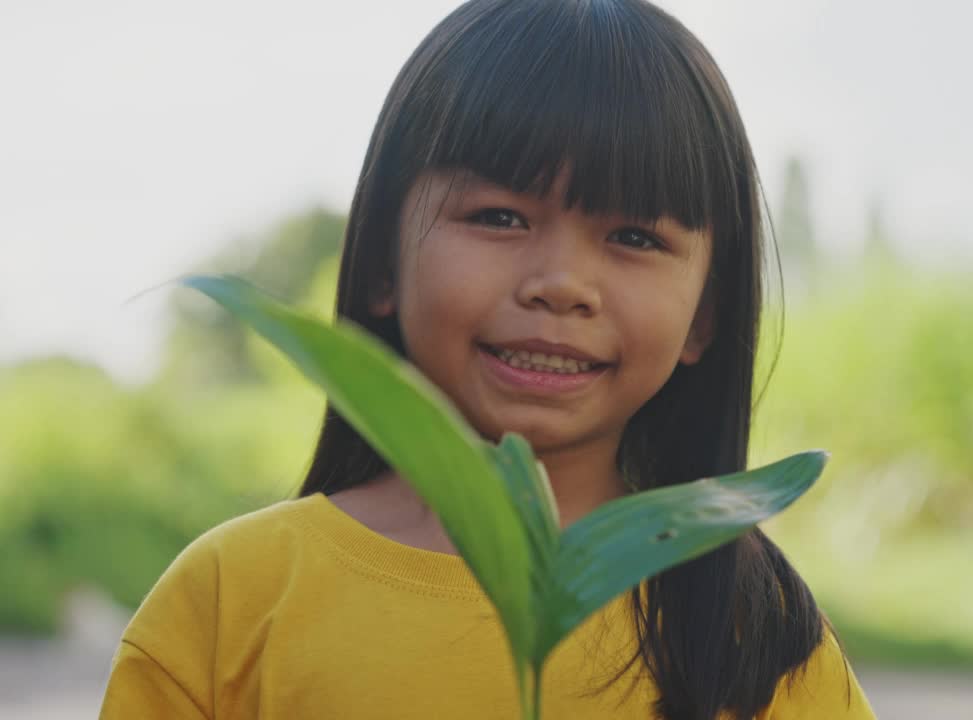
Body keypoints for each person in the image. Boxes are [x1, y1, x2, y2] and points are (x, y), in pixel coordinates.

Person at [100, 0, 877, 718]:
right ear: (380, 265)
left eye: (635, 237)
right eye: (499, 216)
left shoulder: (752, 626)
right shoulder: (233, 598)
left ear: (704, 315)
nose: (562, 285)